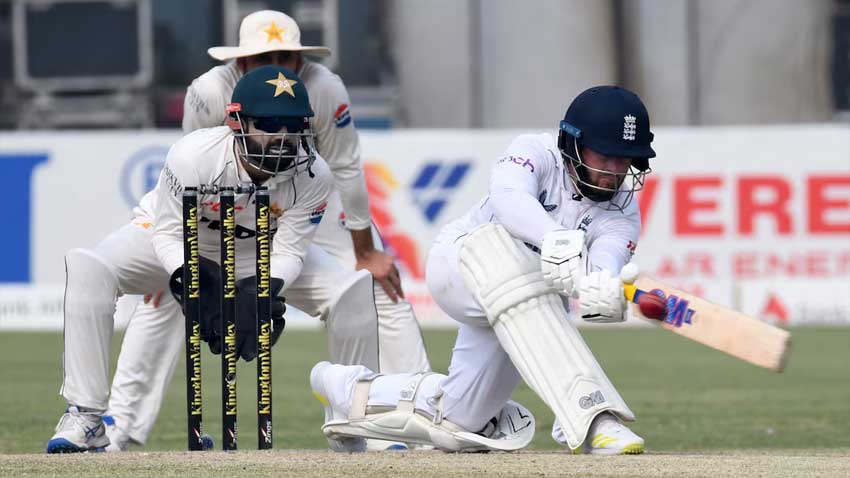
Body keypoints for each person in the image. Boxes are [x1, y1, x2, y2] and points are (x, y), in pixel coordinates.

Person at [103, 10, 430, 451]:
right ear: (240, 63)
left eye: (285, 57)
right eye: (263, 58)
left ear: (301, 61)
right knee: (170, 293)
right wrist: (180, 263)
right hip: (222, 202)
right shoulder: (209, 92)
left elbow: (346, 165)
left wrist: (364, 250)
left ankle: (423, 414)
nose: (276, 65)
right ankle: (118, 426)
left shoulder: (325, 87)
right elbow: (189, 171)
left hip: (305, 192)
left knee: (376, 288)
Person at [46, 65, 382, 453]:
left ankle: (357, 426)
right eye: (271, 123)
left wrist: (261, 289)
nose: (284, 136)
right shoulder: (193, 155)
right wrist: (190, 278)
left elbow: (290, 250)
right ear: (236, 121)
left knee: (352, 291)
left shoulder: (314, 174)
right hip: (177, 240)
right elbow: (168, 233)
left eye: (293, 124)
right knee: (90, 267)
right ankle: (86, 418)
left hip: (260, 249)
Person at [308, 85, 657, 455]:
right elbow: (509, 199)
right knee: (522, 277)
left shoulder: (623, 212)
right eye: (605, 157)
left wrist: (600, 288)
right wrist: (554, 237)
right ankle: (595, 418)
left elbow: (603, 264)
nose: (613, 173)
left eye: (625, 161)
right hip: (461, 263)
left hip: (524, 305)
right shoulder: (534, 152)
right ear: (573, 144)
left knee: (460, 421)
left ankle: (348, 391)